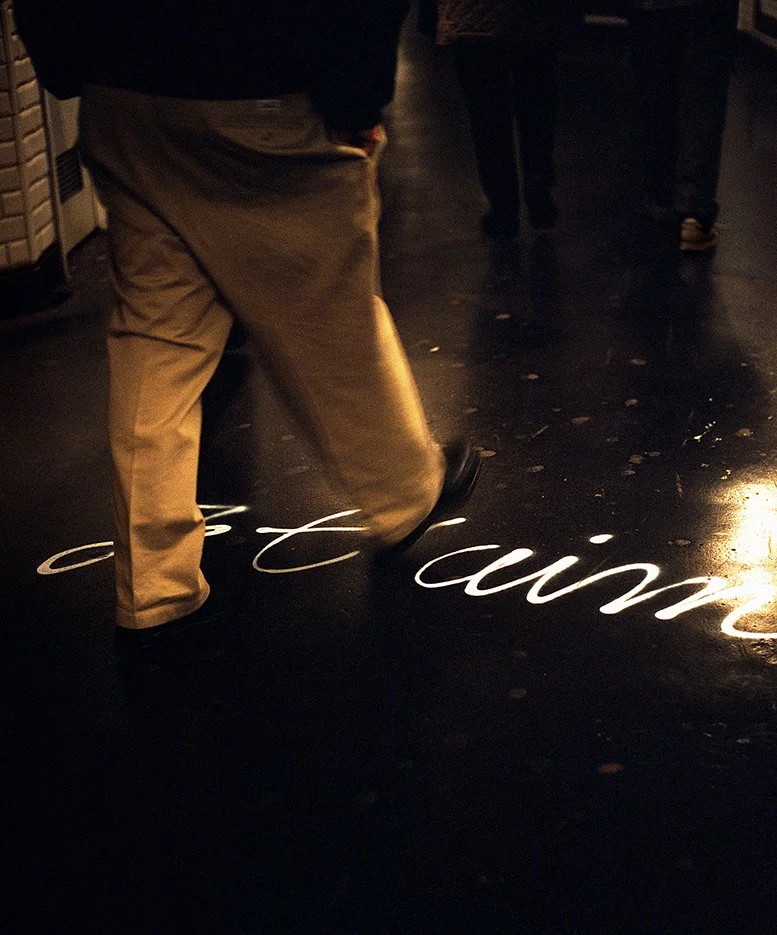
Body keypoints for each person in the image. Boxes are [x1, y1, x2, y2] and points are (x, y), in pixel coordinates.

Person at [15, 0, 481, 647]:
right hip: (262, 83)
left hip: (119, 88)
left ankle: (154, 587)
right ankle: (402, 492)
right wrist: (355, 100)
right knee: (327, 304)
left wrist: (71, 63)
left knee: (157, 331)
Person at [419, 0, 581, 239]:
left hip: (473, 16)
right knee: (538, 104)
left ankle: (503, 208)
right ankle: (539, 189)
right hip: (534, 12)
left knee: (487, 116)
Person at [624, 0, 739, 251]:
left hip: (651, 9)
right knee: (703, 102)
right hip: (708, 9)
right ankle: (693, 213)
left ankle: (660, 199)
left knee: (656, 98)